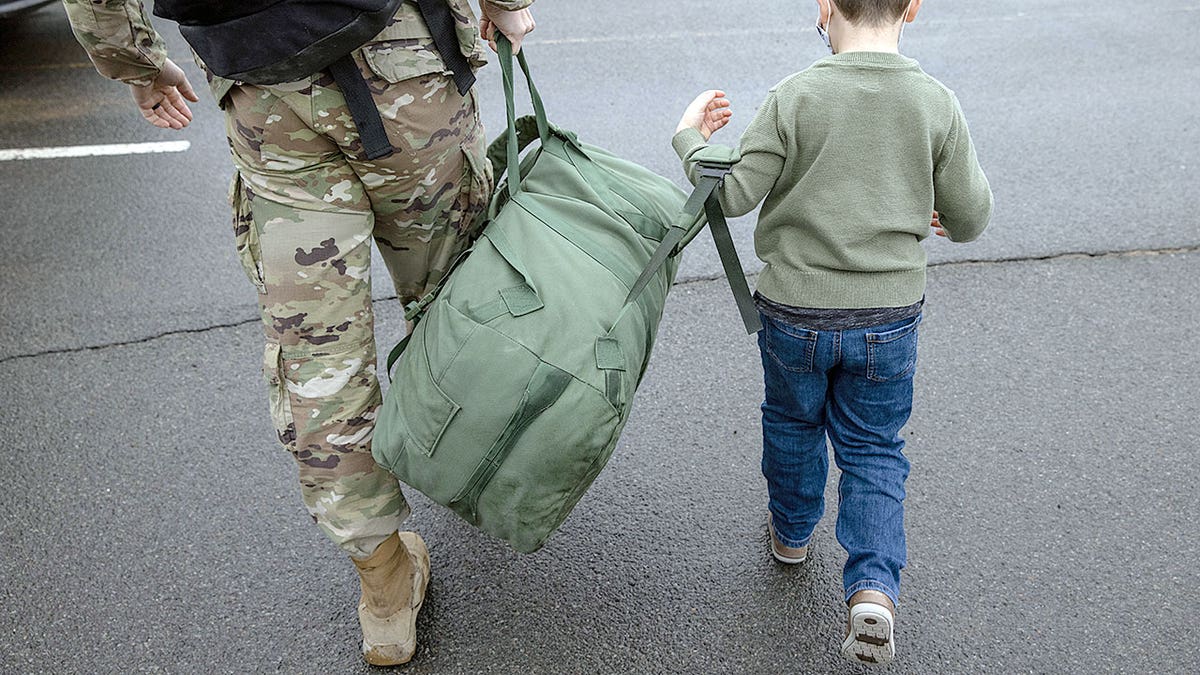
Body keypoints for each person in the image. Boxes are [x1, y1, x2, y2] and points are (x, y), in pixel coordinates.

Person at [61, 0, 537, 666]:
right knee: (453, 292)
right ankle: (487, 468)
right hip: (404, 62)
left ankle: (385, 586)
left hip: (264, 88)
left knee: (319, 354)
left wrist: (137, 63)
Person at [674, 0, 992, 666]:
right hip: (888, 316)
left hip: (794, 310)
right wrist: (938, 210)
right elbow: (970, 217)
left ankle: (791, 535)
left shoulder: (795, 96)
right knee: (874, 446)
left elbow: (729, 194)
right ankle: (873, 587)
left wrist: (689, 137)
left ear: (824, 5)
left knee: (792, 422)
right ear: (912, 7)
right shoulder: (935, 103)